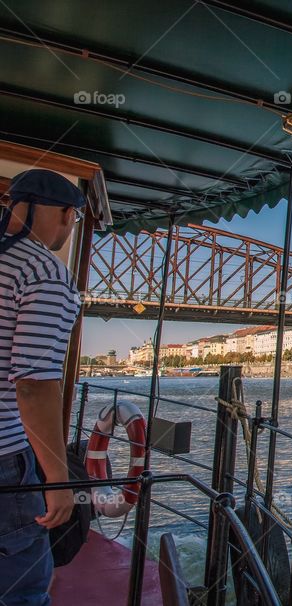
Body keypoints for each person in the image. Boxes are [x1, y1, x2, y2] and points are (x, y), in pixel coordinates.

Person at [0, 169, 85, 605]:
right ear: (67, 215)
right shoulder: (44, 272)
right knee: (22, 590)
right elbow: (33, 385)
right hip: (4, 458)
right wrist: (57, 478)